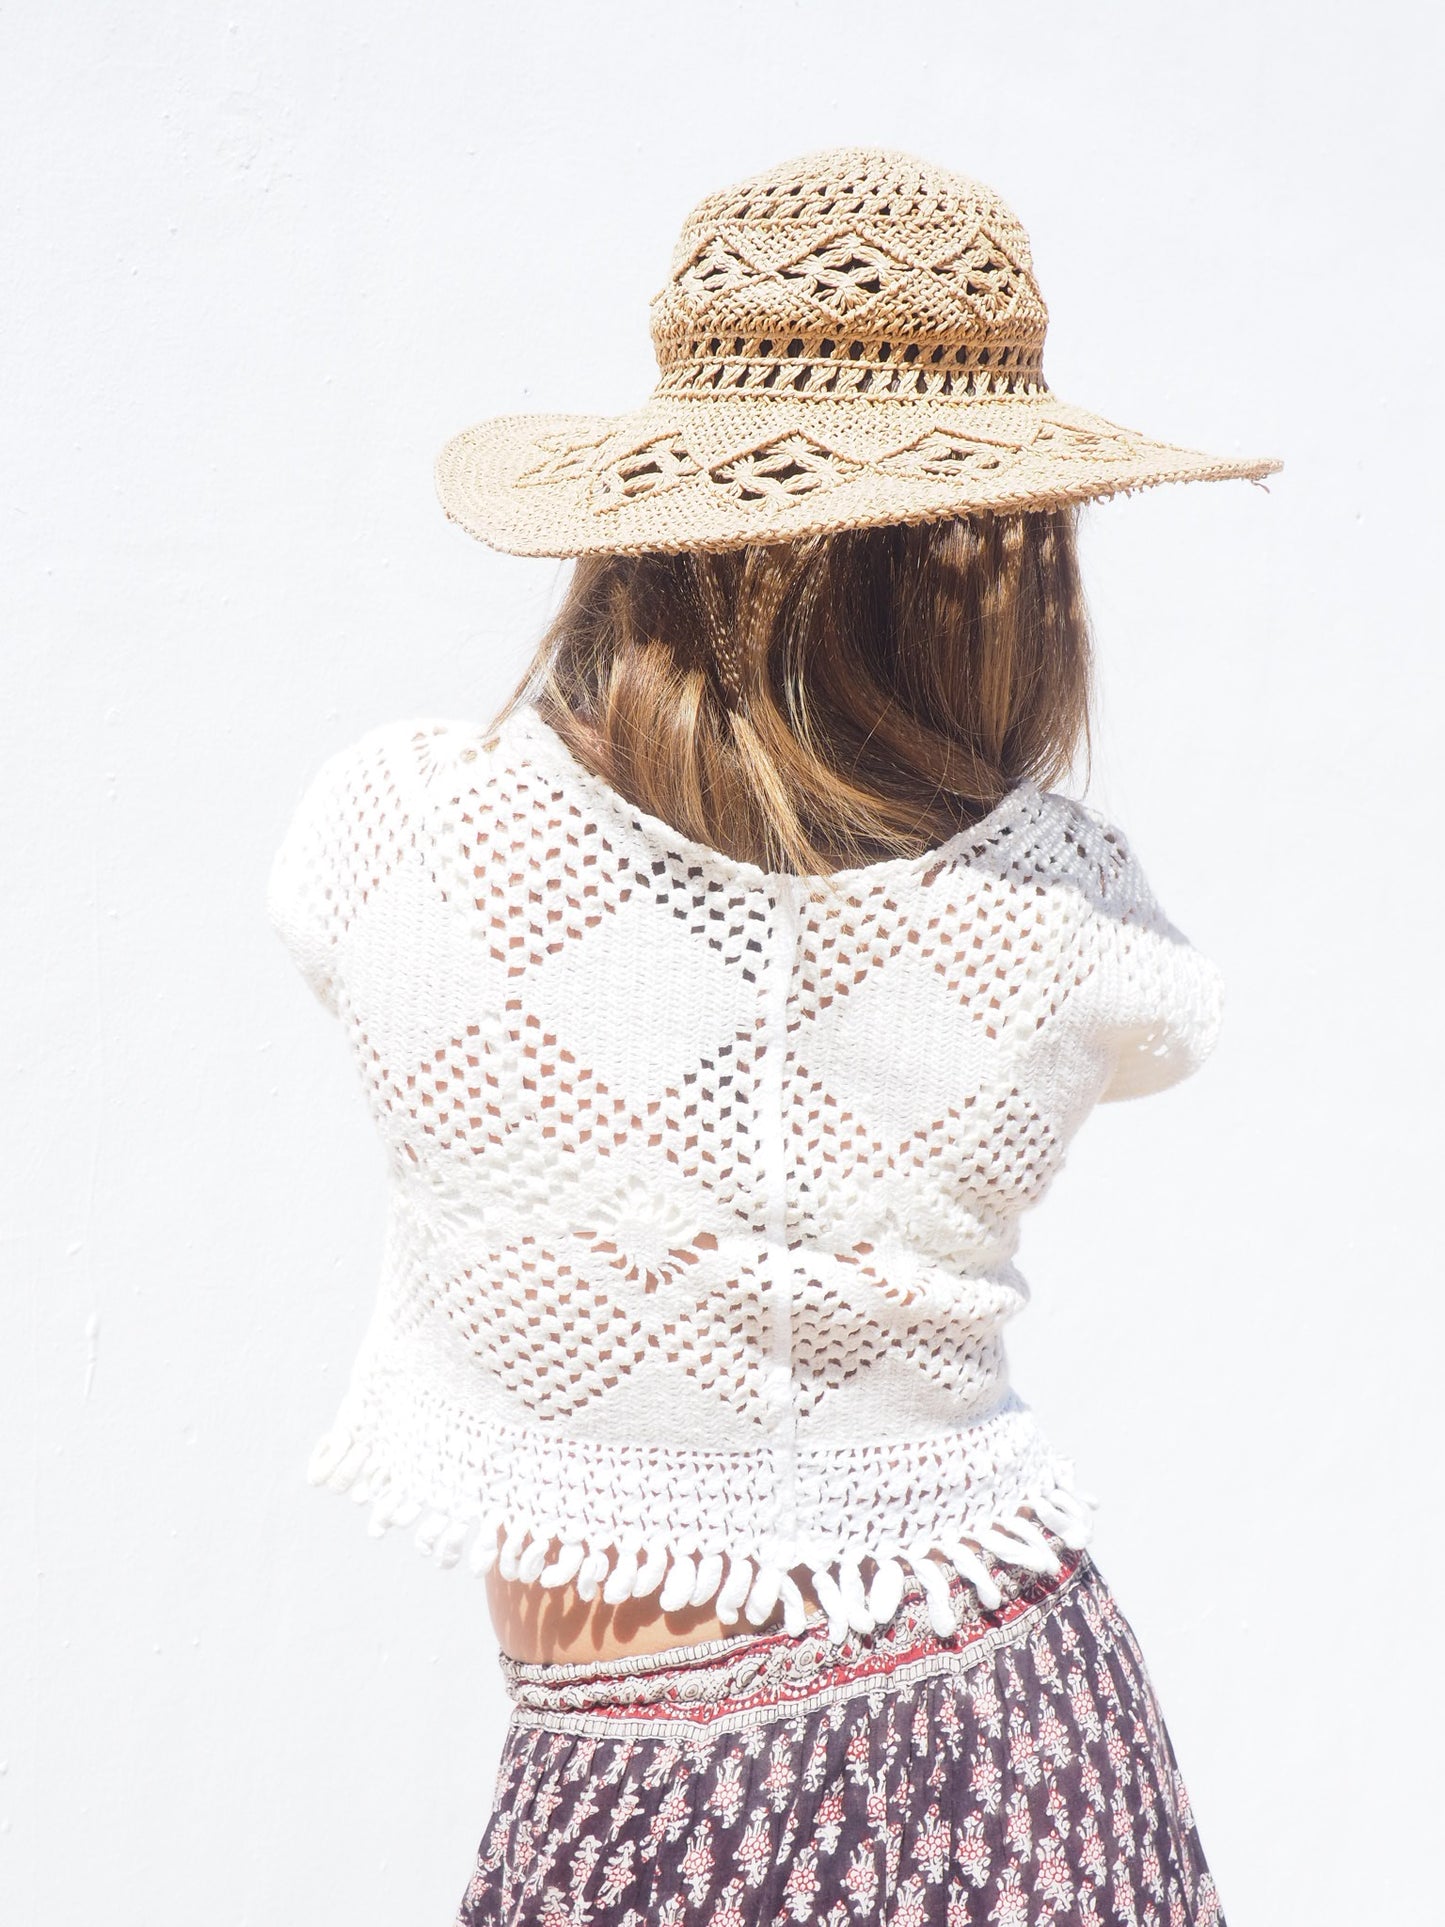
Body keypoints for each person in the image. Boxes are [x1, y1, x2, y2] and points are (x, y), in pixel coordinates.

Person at [269, 147, 1278, 1927]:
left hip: (659, 1776)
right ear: (1004, 556)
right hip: (1006, 1754)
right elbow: (1167, 1027)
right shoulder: (1070, 909)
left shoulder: (394, 827)